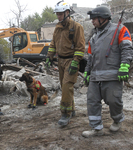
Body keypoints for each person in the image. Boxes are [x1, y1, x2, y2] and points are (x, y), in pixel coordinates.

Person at [82, 6, 133, 138]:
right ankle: (96, 128)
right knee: (92, 102)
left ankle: (117, 119)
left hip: (112, 75)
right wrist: (87, 73)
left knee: (114, 101)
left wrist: (124, 66)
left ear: (103, 18)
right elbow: (90, 58)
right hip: (95, 76)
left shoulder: (120, 29)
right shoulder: (94, 37)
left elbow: (127, 48)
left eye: (94, 19)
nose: (92, 21)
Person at [46, 1, 85, 126]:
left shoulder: (76, 27)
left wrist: (75, 62)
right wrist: (49, 56)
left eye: (60, 14)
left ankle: (65, 114)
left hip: (71, 61)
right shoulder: (58, 27)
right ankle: (71, 109)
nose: (58, 16)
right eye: (57, 14)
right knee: (65, 87)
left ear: (67, 12)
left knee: (67, 86)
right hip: (60, 61)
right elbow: (53, 44)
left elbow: (80, 47)